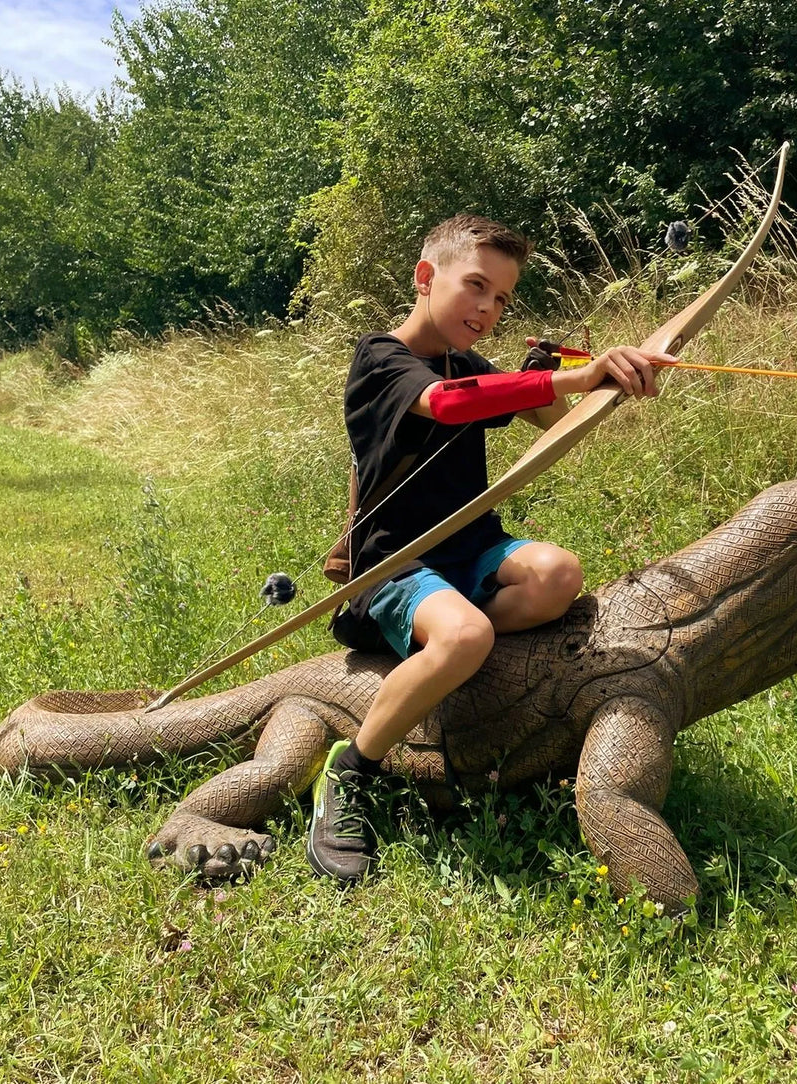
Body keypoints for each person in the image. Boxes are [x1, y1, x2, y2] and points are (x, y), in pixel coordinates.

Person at [307, 213, 674, 882]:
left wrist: (584, 379)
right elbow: (448, 403)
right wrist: (577, 374)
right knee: (465, 637)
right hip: (398, 561)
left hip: (471, 546)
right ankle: (351, 770)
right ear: (425, 276)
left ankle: (453, 646)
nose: (487, 307)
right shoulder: (380, 359)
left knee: (558, 573)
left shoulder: (467, 363)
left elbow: (545, 421)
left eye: (502, 297)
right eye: (475, 285)